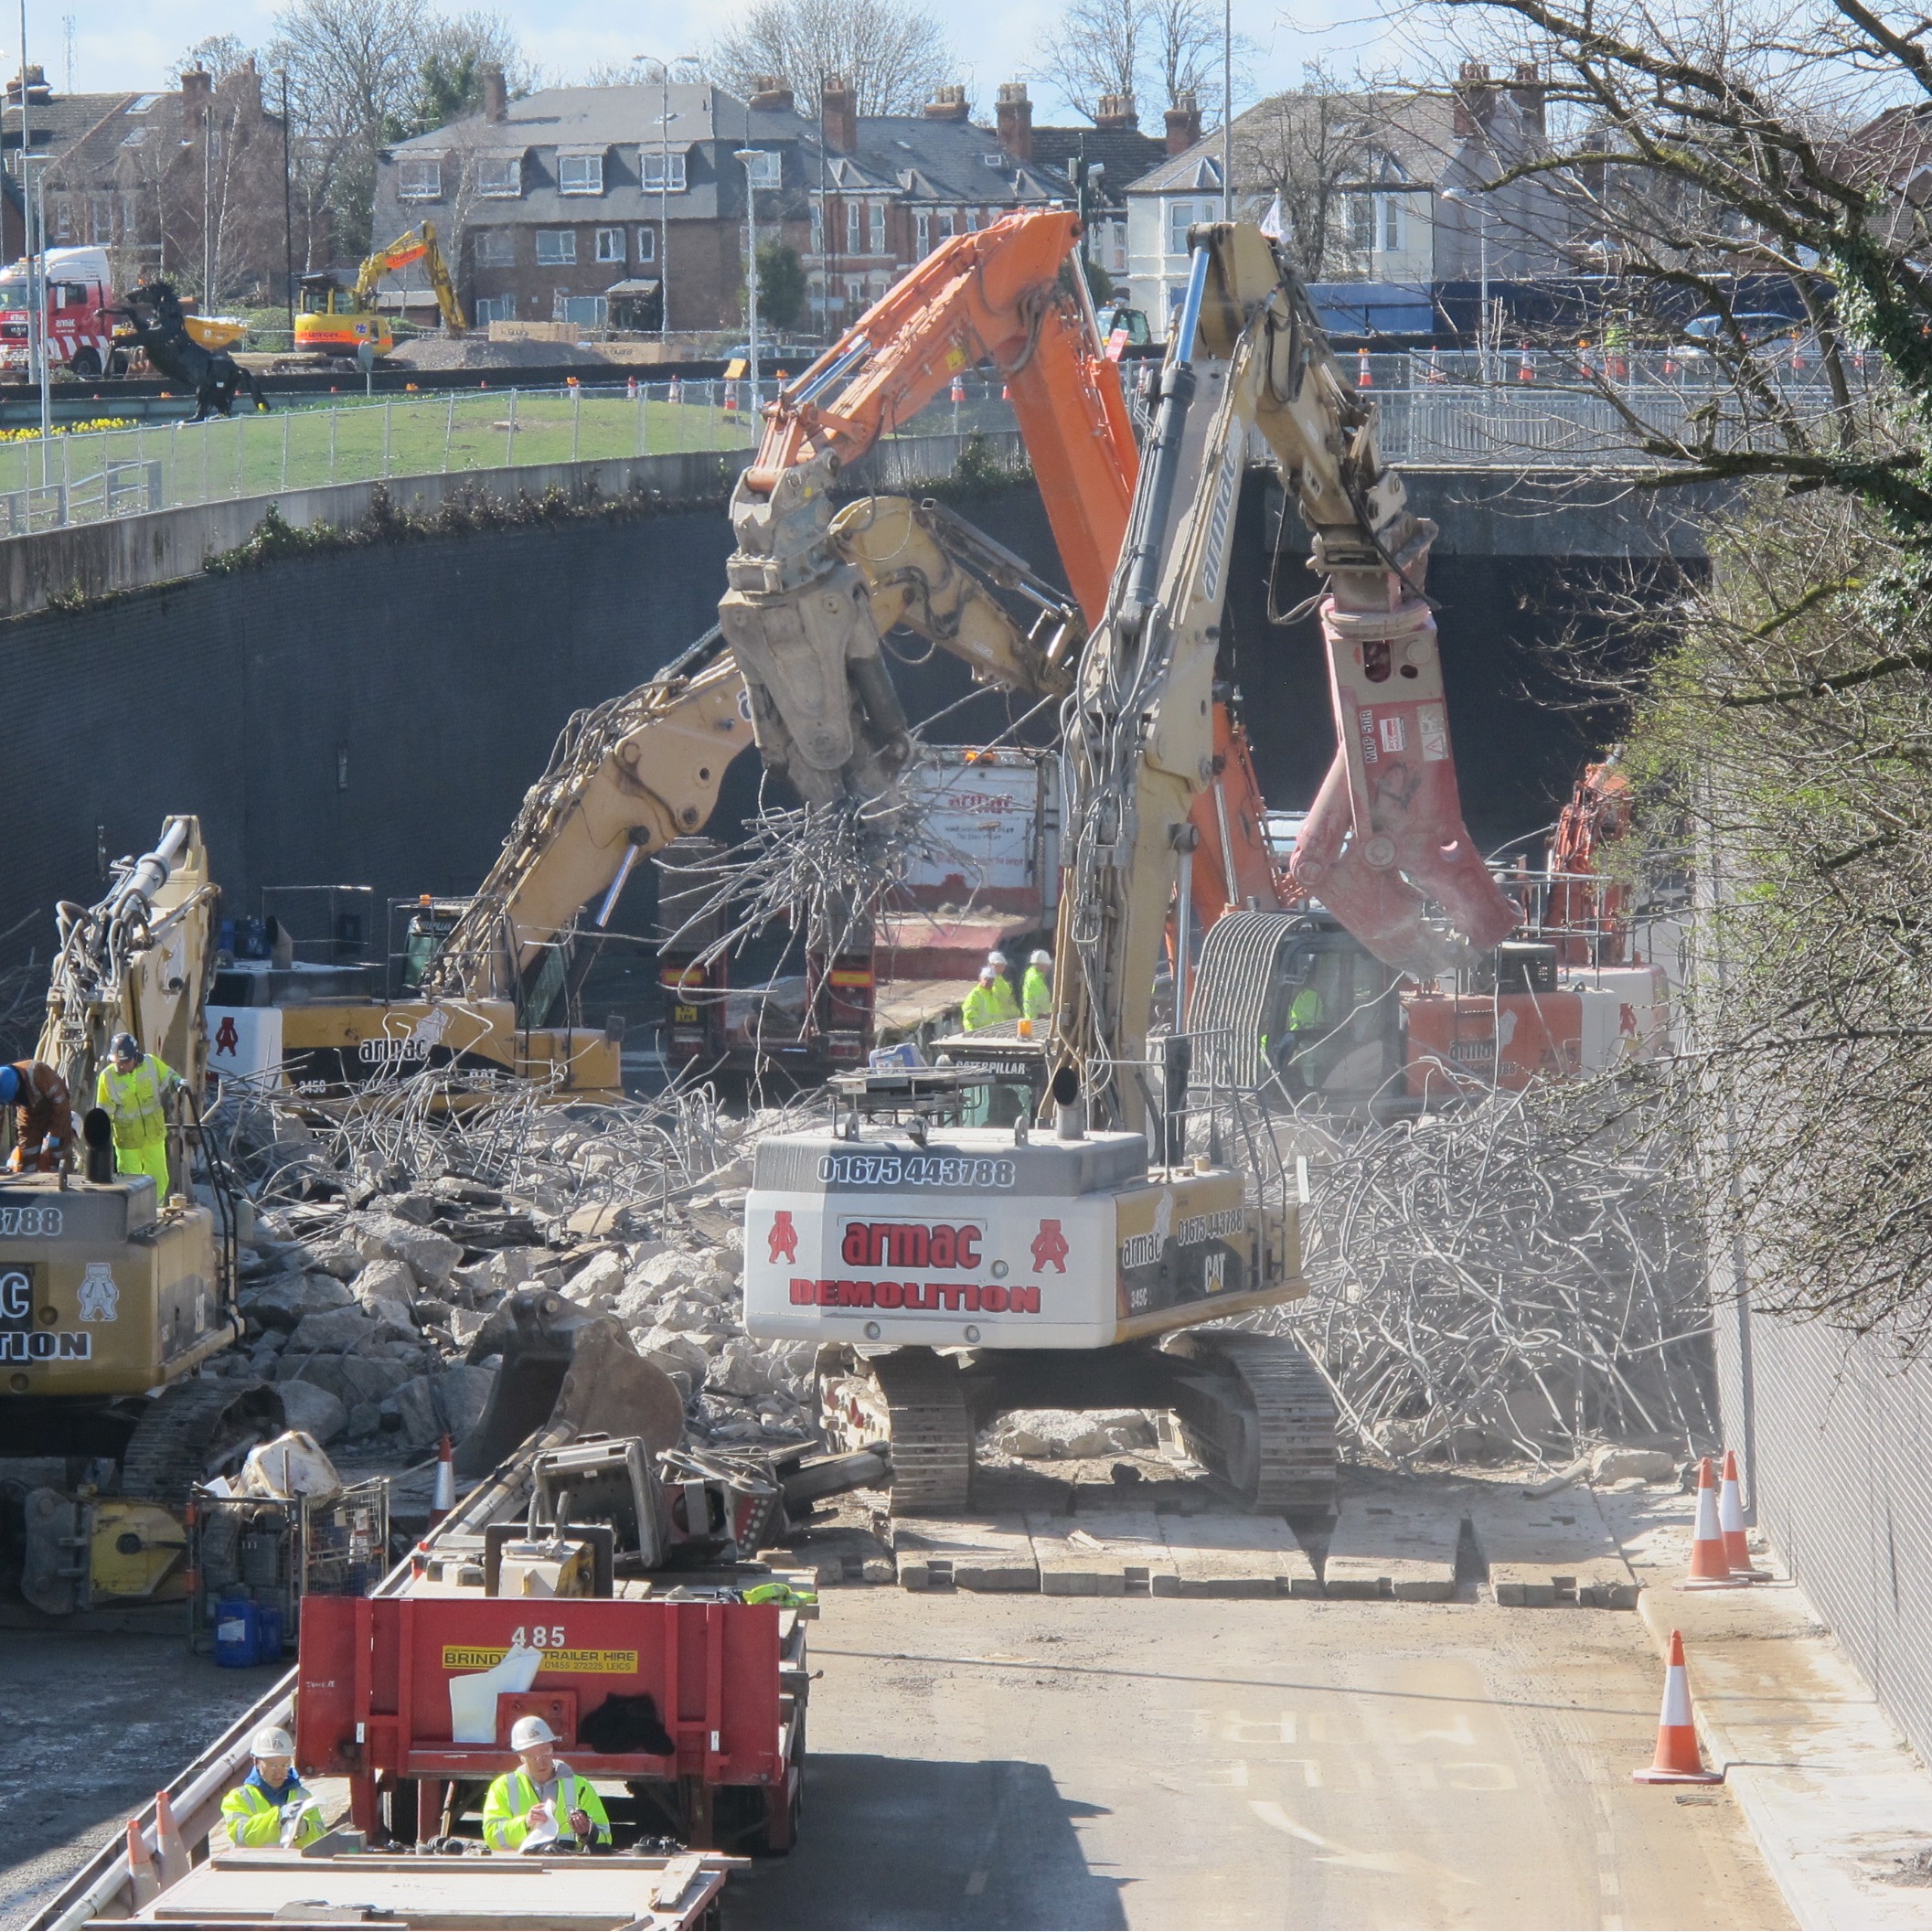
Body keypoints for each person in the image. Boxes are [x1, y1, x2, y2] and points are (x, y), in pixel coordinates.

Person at [482, 1714, 612, 1853]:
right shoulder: (503, 1786)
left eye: (546, 1754)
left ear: (552, 1749)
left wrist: (587, 1832)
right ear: (521, 1758)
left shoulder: (580, 1787)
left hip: (569, 1866)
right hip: (524, 1866)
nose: (541, 1762)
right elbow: (492, 1836)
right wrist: (525, 1823)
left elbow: (606, 1837)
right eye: (533, 1758)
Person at [94, 1034, 179, 1190]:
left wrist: (178, 1082)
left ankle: (155, 1210)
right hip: (127, 1139)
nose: (121, 1066)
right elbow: (103, 1110)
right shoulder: (107, 1077)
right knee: (129, 1182)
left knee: (158, 1178)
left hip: (153, 1135)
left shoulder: (151, 1063)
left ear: (135, 1057)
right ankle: (132, 1213)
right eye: (118, 1062)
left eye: (125, 1062)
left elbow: (169, 1075)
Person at [220, 1727, 324, 1848]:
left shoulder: (303, 1796)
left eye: (284, 1765)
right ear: (256, 1762)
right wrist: (278, 1817)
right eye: (272, 1766)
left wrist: (305, 1828)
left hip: (292, 1865)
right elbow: (241, 1835)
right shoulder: (238, 1798)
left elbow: (321, 1837)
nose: (279, 1773)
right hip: (251, 1865)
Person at [2, 1060, 72, 1172]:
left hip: (53, 1113)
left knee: (58, 1153)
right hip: (30, 1113)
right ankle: (29, 1180)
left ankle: (58, 1177)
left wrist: (56, 1134)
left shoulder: (38, 1073)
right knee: (28, 1152)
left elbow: (61, 1106)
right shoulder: (4, 1089)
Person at [961, 966, 1001, 1033]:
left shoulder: (993, 995)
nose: (987, 982)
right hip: (976, 1033)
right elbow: (970, 1018)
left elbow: (997, 1016)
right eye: (985, 979)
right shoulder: (974, 995)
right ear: (980, 979)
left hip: (989, 1032)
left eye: (990, 980)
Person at [985, 951, 1020, 1023]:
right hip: (995, 1022)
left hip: (1005, 1020)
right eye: (997, 965)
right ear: (990, 965)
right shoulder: (988, 982)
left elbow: (1009, 1001)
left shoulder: (1002, 981)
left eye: (1002, 965)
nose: (1000, 968)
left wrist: (1016, 1014)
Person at [1021, 950, 1052, 1024]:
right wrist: (1053, 1012)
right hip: (1036, 1020)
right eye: (1046, 965)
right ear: (1040, 964)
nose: (1047, 968)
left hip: (1033, 1018)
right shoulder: (1035, 979)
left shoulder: (1033, 974)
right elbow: (1042, 1001)